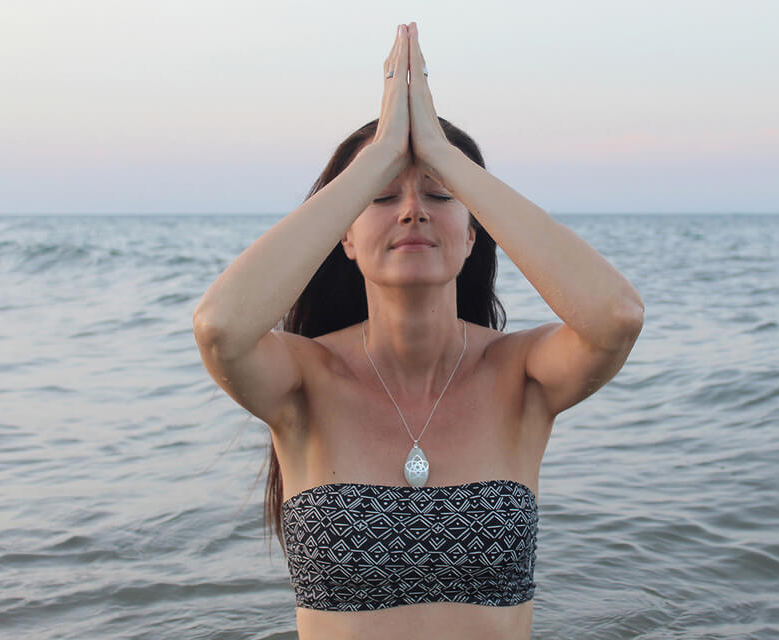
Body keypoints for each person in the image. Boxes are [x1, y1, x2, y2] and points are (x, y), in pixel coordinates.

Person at [193, 20, 644, 640]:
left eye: (439, 195)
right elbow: (219, 326)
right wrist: (380, 152)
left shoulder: (521, 374)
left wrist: (441, 151)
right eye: (382, 198)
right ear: (344, 237)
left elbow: (617, 317)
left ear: (474, 231)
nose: (412, 211)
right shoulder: (303, 382)